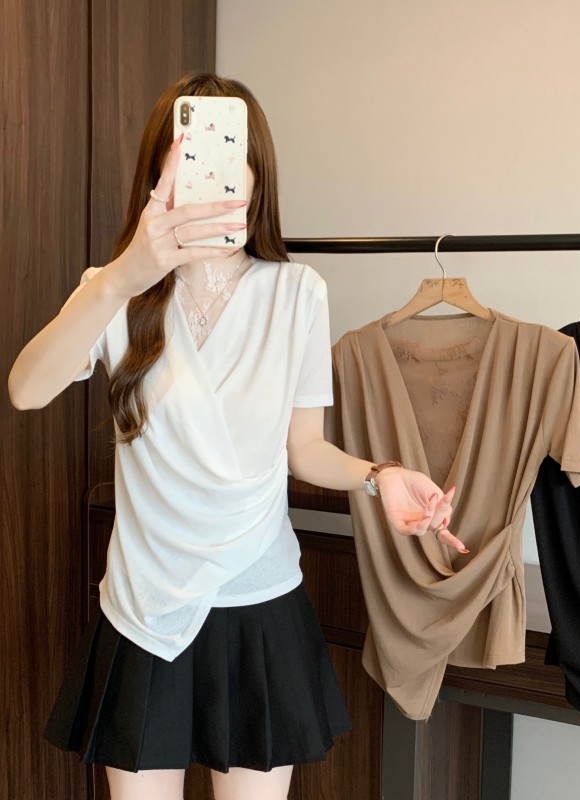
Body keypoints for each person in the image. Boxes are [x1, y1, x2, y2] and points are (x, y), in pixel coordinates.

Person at [8, 72, 464, 800]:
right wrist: (120, 278)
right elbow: (26, 390)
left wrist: (381, 476)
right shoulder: (114, 291)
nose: (213, 172)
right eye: (189, 153)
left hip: (257, 599)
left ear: (256, 176)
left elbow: (303, 449)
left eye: (231, 155)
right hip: (145, 606)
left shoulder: (296, 293)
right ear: (158, 173)